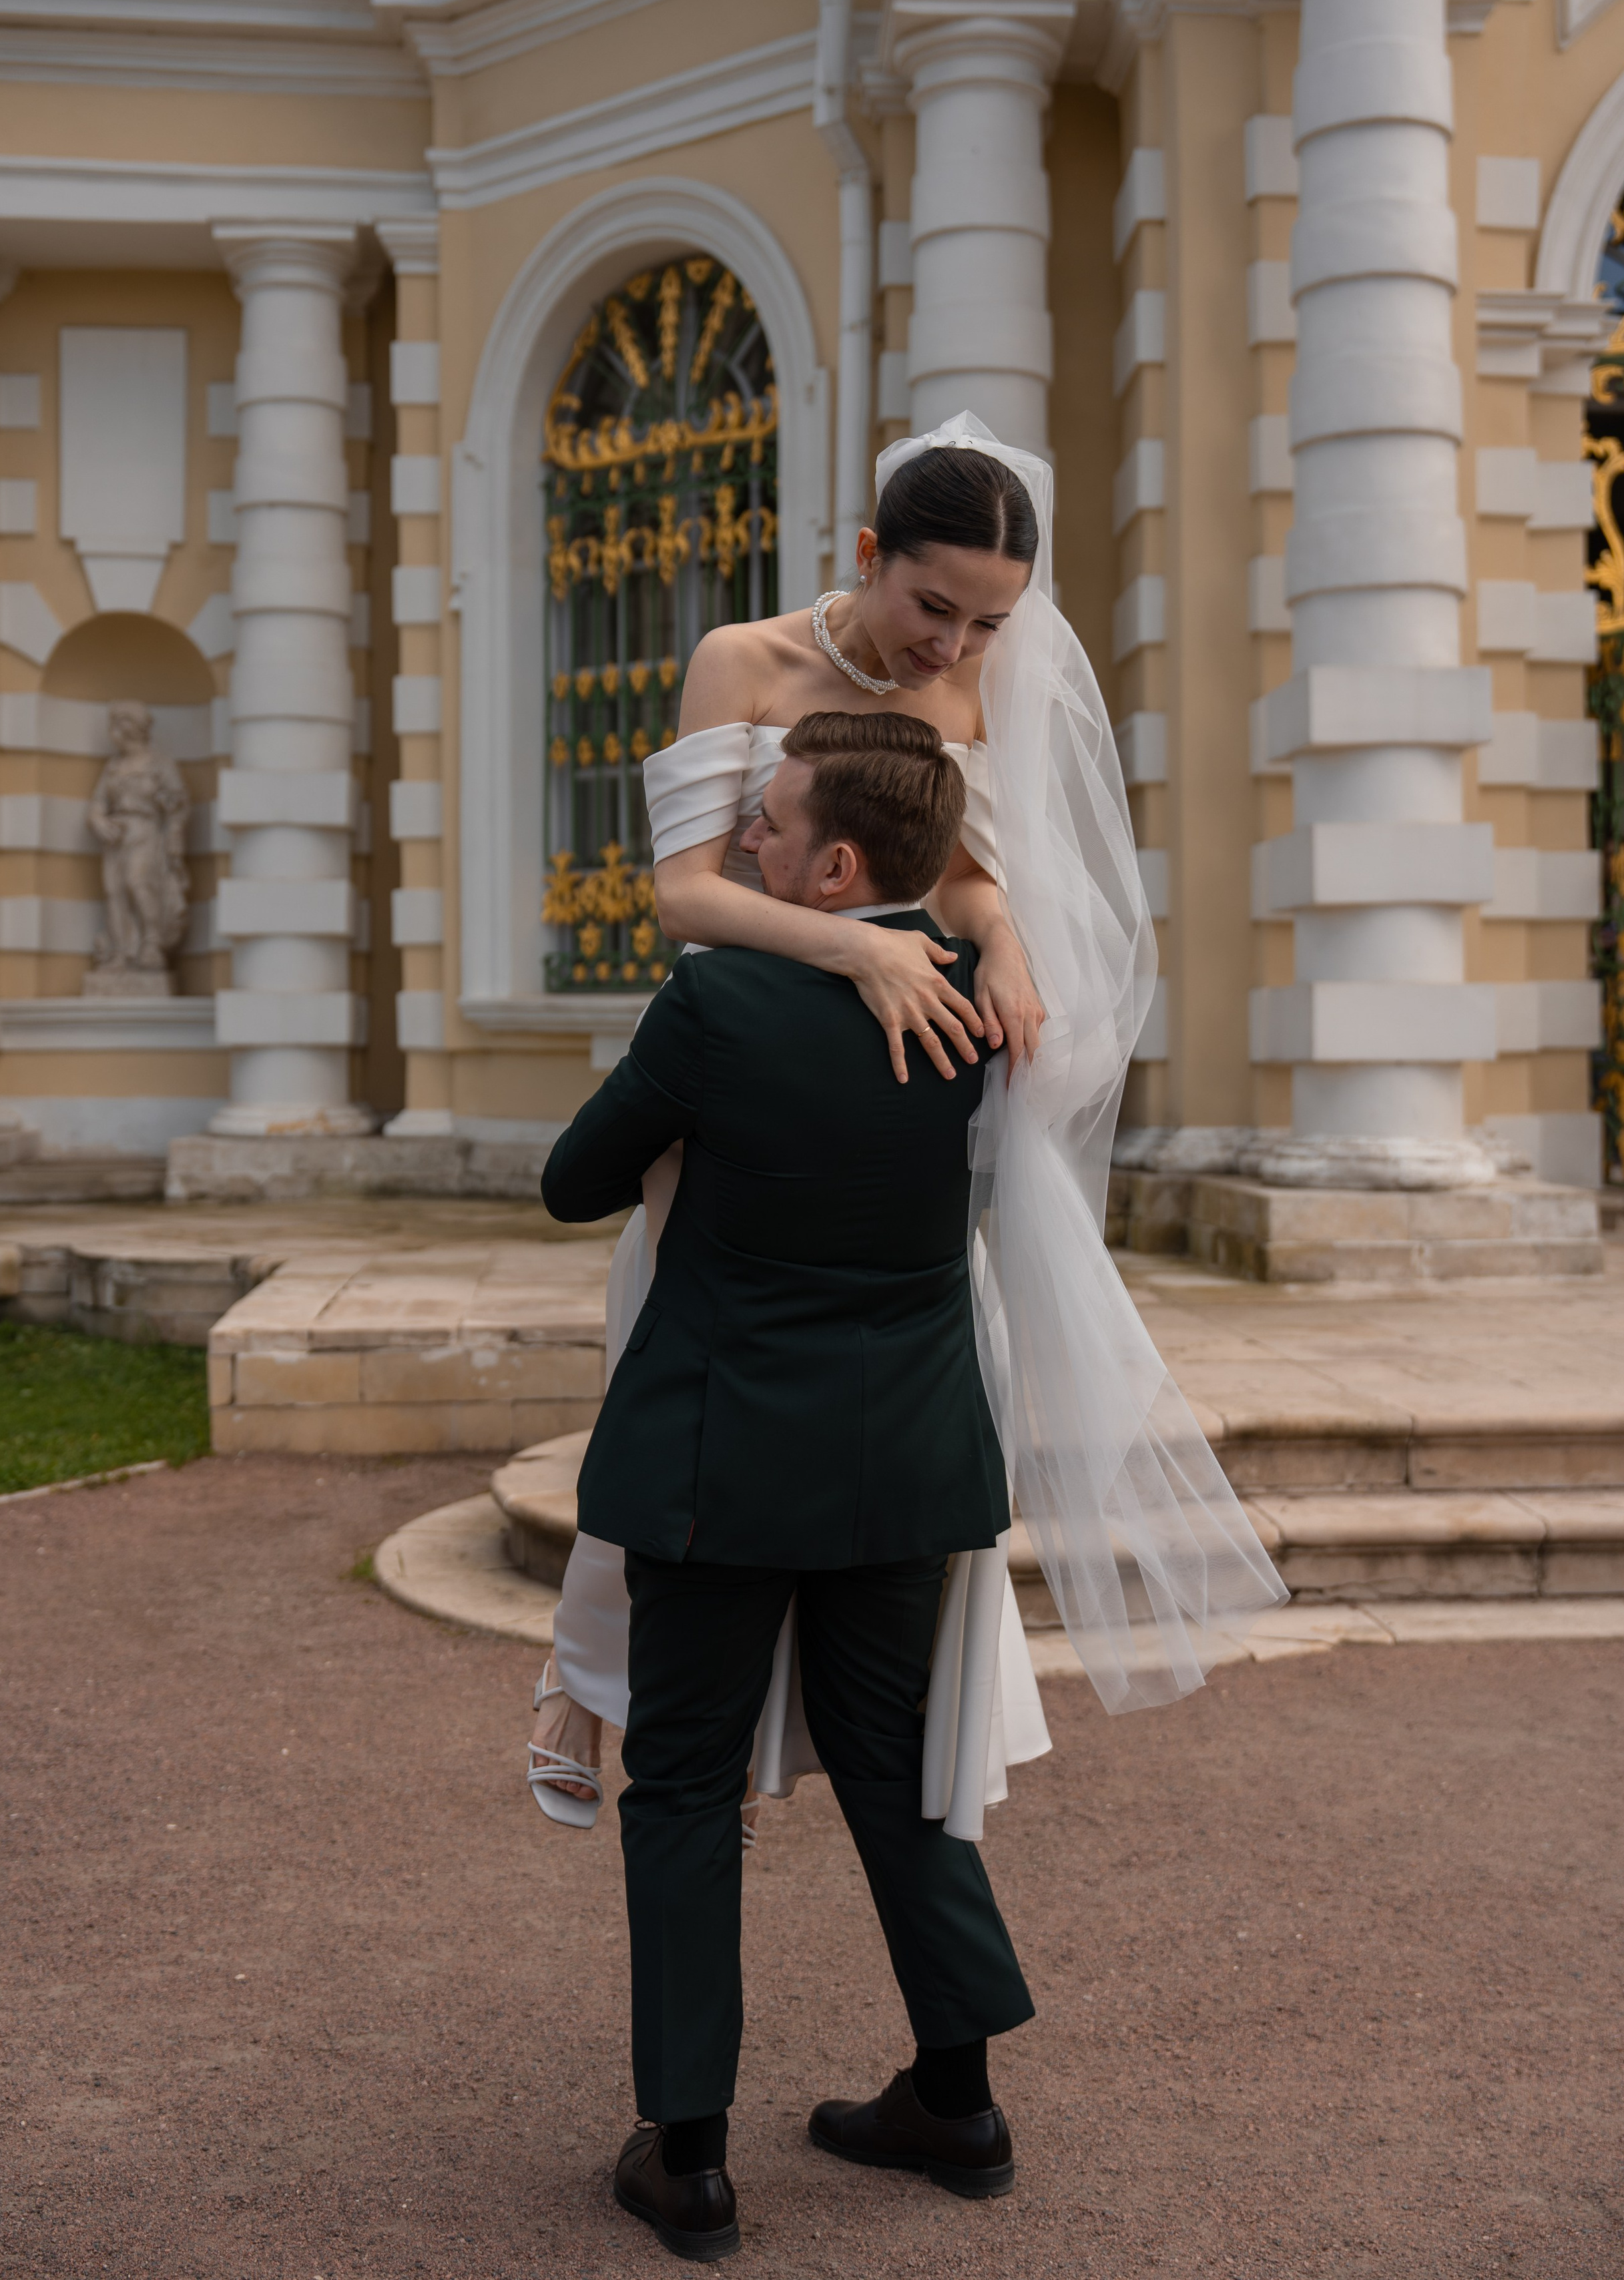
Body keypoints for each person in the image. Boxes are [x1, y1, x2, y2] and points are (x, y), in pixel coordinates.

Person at [529, 414, 1285, 1832]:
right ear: (868, 556)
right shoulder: (741, 663)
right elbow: (686, 894)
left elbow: (961, 875)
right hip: (731, 1091)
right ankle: (611, 1689)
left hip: (881, 1102)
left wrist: (995, 944)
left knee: (876, 1420)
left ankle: (837, 1739)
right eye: (931, 605)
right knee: (667, 1381)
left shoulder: (975, 689)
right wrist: (856, 952)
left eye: (987, 622)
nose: (951, 646)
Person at [541, 713, 1035, 2259]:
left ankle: (687, 2161)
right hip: (905, 1455)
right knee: (896, 1770)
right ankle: (954, 2103)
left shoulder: (718, 997)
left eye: (763, 826)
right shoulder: (987, 1007)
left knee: (681, 1786)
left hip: (717, 1456)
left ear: (833, 863)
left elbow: (571, 1181)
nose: (737, 847)